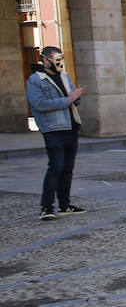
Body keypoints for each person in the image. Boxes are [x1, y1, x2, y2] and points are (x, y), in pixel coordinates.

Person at [26, 46, 87, 220]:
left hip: (71, 126)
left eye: (61, 59)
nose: (59, 62)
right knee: (56, 166)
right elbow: (40, 104)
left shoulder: (64, 76)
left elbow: (73, 101)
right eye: (56, 59)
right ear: (45, 60)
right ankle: (46, 207)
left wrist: (77, 95)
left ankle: (64, 205)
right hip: (53, 129)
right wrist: (70, 99)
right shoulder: (35, 80)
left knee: (68, 168)